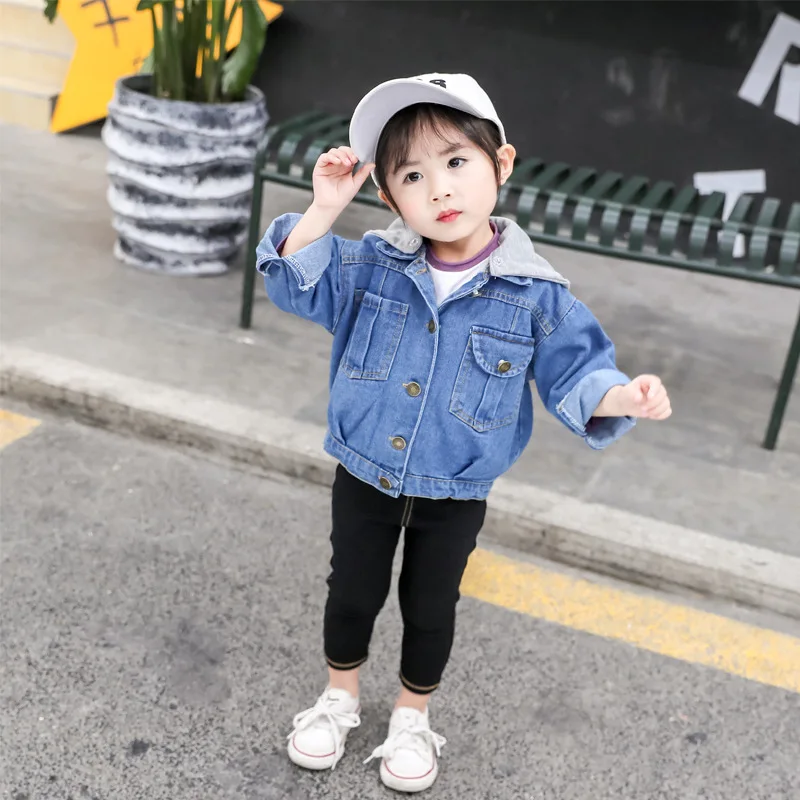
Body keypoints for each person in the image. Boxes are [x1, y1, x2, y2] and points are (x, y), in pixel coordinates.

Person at [255, 73, 672, 793]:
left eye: (456, 162)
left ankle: (412, 715)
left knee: (430, 604)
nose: (439, 189)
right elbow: (296, 282)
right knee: (352, 589)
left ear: (500, 164)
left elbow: (577, 372)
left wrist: (623, 396)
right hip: (365, 469)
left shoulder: (536, 294)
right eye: (412, 176)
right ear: (388, 195)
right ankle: (339, 698)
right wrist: (324, 209)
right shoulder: (372, 266)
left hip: (457, 488)